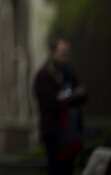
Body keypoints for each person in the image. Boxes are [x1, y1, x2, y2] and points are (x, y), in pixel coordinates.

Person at [33, 37, 87, 175]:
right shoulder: (44, 74)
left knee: (69, 168)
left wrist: (67, 96)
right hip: (54, 131)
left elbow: (82, 95)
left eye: (68, 52)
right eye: (62, 52)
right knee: (56, 168)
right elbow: (51, 103)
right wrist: (71, 95)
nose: (66, 55)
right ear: (53, 53)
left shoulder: (69, 72)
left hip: (71, 129)